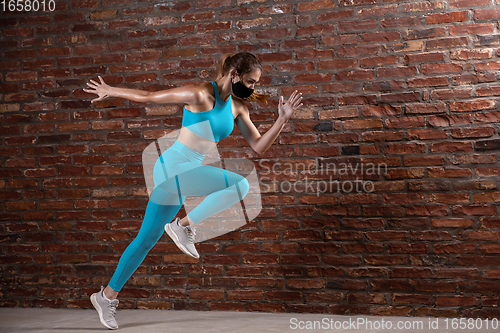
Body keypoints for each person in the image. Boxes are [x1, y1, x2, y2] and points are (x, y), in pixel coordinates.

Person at [83, 52, 303, 330]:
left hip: (187, 176)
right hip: (172, 169)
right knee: (241, 185)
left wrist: (283, 119)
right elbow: (150, 96)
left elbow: (259, 146)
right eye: (250, 82)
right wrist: (110, 90)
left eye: (255, 84)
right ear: (233, 74)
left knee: (146, 239)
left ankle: (106, 296)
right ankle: (182, 226)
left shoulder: (237, 108)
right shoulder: (199, 93)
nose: (252, 89)